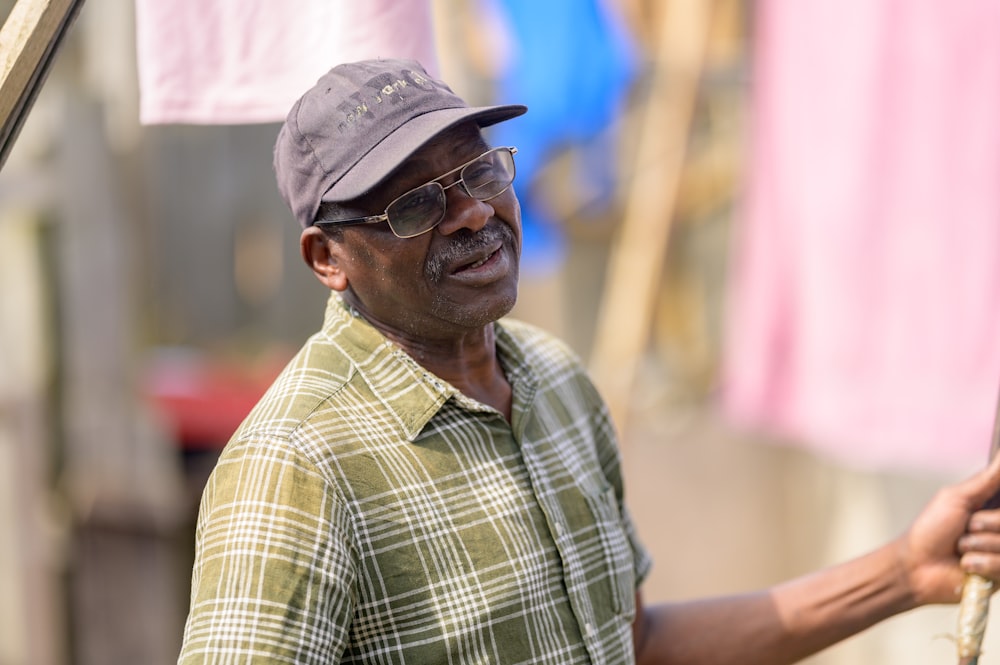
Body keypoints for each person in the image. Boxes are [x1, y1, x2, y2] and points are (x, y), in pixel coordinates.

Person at [177, 58, 1000, 665]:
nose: (471, 213)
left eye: (476, 169)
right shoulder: (297, 465)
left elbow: (631, 641)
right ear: (328, 257)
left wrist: (902, 570)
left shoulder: (554, 380)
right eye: (415, 201)